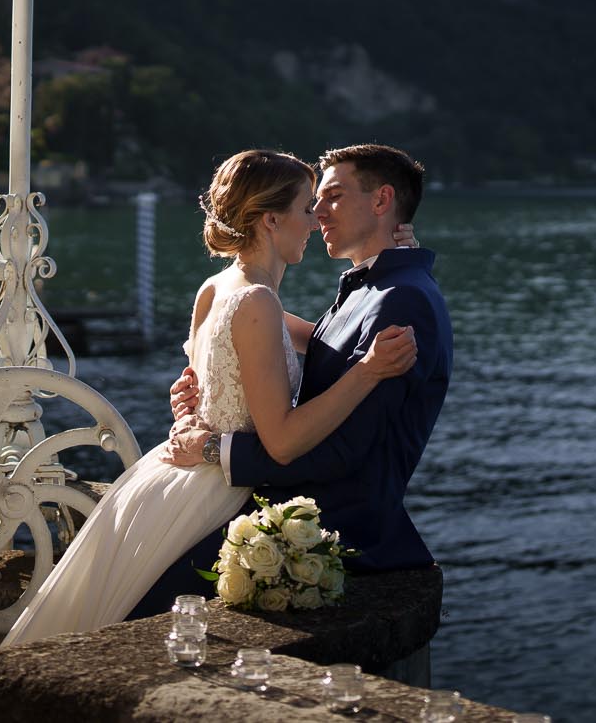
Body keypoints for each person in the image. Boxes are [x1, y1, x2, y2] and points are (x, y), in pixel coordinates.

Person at [0, 148, 417, 644]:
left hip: (163, 479)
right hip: (214, 490)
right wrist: (368, 372)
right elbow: (281, 442)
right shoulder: (258, 302)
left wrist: (391, 260)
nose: (316, 220)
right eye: (307, 208)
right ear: (270, 220)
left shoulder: (218, 288)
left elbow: (313, 342)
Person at [154, 143, 451, 600]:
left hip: (339, 522)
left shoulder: (399, 298)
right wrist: (203, 389)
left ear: (380, 201)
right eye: (311, 204)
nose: (317, 215)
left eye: (331, 197)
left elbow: (349, 447)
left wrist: (215, 448)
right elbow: (295, 344)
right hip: (274, 494)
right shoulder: (368, 286)